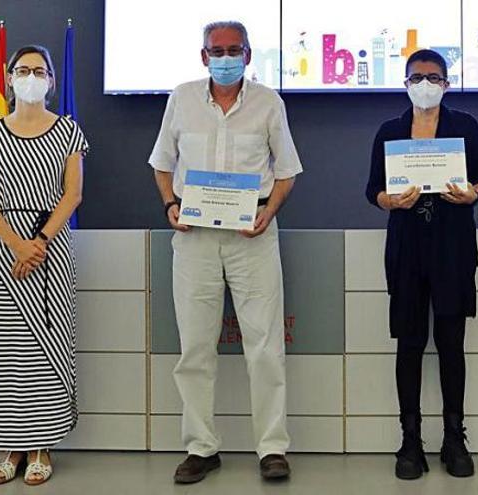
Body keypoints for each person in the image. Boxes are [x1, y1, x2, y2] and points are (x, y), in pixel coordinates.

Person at [149, 20, 303, 484]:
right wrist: (171, 205)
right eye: (217, 50)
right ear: (203, 57)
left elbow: (287, 171)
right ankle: (201, 447)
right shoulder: (181, 98)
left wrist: (269, 212)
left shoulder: (268, 103)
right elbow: (161, 164)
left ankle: (272, 448)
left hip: (252, 236)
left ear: (249, 55)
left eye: (235, 49)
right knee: (194, 348)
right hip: (194, 237)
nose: (226, 57)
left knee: (265, 347)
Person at [365, 49, 478, 480]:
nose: (425, 84)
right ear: (405, 83)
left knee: (452, 342)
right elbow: (373, 191)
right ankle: (410, 440)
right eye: (417, 77)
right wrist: (389, 200)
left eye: (434, 77)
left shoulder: (465, 126)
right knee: (410, 343)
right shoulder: (389, 131)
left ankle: (454, 437)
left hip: (453, 245)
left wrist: (471, 194)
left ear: (447, 83)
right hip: (406, 247)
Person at [0, 45, 88, 486]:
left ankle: (42, 447)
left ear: (52, 80)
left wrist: (36, 242)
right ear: (9, 76)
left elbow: (72, 194)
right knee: (3, 355)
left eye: (39, 71)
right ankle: (11, 446)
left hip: (50, 250)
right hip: (0, 250)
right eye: (23, 70)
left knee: (44, 352)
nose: (31, 76)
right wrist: (16, 243)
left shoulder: (69, 131)